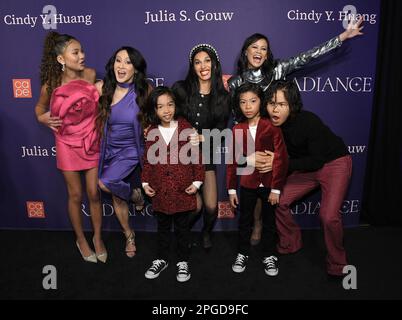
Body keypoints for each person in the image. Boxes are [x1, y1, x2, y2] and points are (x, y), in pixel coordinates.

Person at [228, 18, 363, 245]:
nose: (259, 52)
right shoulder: (235, 82)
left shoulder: (277, 70)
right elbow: (236, 113)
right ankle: (257, 223)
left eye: (264, 48)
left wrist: (341, 37)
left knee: (271, 184)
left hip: (277, 134)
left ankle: (266, 227)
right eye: (255, 47)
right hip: (253, 135)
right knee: (253, 182)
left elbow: (308, 56)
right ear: (246, 51)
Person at [264, 80, 352, 277]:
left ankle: (338, 264)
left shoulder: (308, 121)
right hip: (307, 165)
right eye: (271, 103)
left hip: (334, 162)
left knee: (329, 216)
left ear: (292, 105)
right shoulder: (270, 125)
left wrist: (280, 163)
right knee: (279, 200)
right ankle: (291, 242)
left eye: (282, 104)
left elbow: (317, 161)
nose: (275, 110)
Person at [34, 31, 106, 263]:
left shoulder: (91, 74)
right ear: (61, 59)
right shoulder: (51, 84)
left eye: (82, 50)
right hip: (66, 142)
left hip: (91, 139)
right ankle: (81, 239)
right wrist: (42, 118)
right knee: (75, 194)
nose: (82, 55)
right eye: (76, 52)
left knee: (94, 193)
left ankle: (97, 237)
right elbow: (39, 108)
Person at [142, 86, 204, 282]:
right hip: (160, 190)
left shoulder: (187, 129)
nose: (166, 110)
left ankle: (182, 261)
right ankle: (162, 258)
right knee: (162, 228)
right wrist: (144, 182)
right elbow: (148, 160)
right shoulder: (151, 131)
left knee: (182, 228)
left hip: (183, 190)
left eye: (170, 104)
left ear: (176, 106)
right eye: (160, 107)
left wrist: (197, 181)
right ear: (154, 110)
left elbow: (196, 157)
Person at [172, 44, 230, 249]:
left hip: (206, 155)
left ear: (214, 64)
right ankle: (181, 233)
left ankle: (206, 233)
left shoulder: (223, 96)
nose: (203, 66)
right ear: (192, 66)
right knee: (194, 206)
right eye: (197, 62)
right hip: (182, 155)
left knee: (211, 206)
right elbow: (169, 118)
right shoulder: (180, 89)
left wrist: (205, 138)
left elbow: (223, 130)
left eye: (207, 61)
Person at [227, 83, 288, 276]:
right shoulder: (237, 129)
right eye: (243, 102)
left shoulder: (272, 127)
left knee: (269, 222)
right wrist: (231, 190)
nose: (248, 106)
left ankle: (269, 255)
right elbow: (232, 162)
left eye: (252, 101)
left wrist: (276, 189)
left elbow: (281, 158)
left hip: (269, 184)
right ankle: (242, 252)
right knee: (245, 220)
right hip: (247, 184)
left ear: (260, 102)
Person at [97, 46, 151, 258]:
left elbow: (156, 115)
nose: (121, 66)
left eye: (128, 62)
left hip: (130, 149)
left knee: (104, 182)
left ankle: (136, 197)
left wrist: (149, 127)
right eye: (118, 60)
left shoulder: (143, 89)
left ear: (136, 69)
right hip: (107, 149)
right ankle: (129, 233)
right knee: (117, 198)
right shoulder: (103, 88)